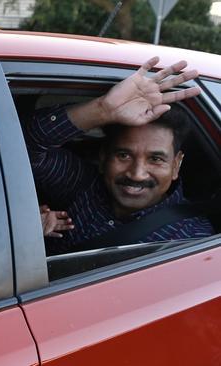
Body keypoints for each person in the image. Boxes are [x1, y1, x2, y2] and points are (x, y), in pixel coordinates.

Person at [25, 57, 214, 255]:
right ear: (103, 156)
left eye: (156, 159)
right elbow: (21, 148)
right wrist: (102, 110)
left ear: (176, 164)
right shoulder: (81, 185)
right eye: (123, 155)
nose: (137, 174)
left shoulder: (191, 239)